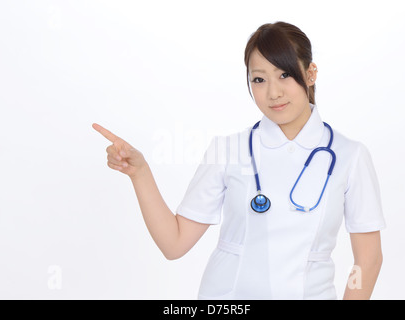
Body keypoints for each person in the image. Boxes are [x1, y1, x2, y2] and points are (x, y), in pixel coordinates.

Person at [92, 21, 386, 300]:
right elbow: (174, 244)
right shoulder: (228, 150)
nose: (273, 92)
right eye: (259, 79)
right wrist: (140, 173)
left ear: (310, 74)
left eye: (284, 74)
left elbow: (368, 259)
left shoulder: (350, 156)